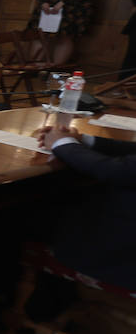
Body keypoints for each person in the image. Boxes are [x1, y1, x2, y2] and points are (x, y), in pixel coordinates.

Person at [30, 123, 136, 291]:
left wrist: (63, 143)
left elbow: (117, 170)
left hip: (123, 257)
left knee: (28, 213)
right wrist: (81, 140)